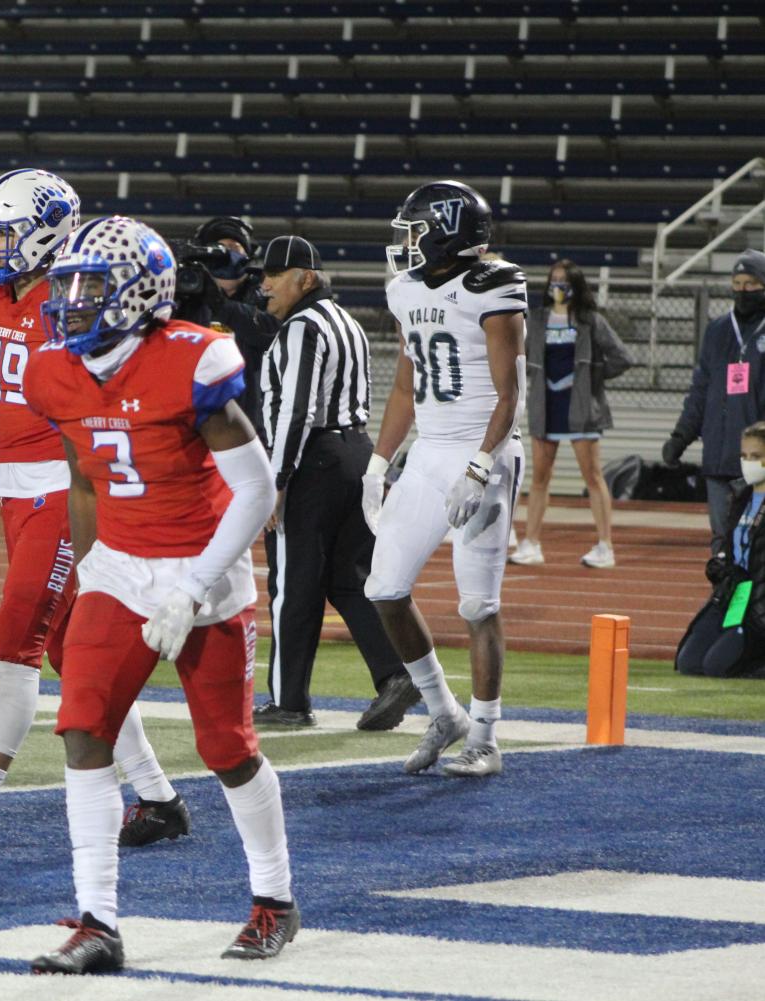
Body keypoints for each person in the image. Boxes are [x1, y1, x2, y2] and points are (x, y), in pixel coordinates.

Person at [24, 215, 295, 974]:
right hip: (121, 564)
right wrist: (91, 570)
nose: (70, 301)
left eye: (89, 287)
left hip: (202, 566)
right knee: (82, 729)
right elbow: (82, 475)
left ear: (138, 294)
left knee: (226, 748)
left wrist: (194, 585)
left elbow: (256, 489)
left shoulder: (192, 359)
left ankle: (273, 899)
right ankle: (97, 919)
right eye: (67, 285)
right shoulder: (56, 370)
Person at [0, 172, 188, 855]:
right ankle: (158, 797)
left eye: (3, 231)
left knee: (14, 636)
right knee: (63, 648)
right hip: (14, 487)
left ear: (45, 230)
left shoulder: (75, 298)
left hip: (67, 481)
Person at [363, 179, 527, 779]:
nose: (406, 244)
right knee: (383, 588)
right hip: (430, 450)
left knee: (477, 602)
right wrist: (380, 463)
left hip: (484, 451)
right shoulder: (405, 288)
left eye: (415, 230)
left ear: (447, 231)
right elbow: (408, 383)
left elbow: (510, 392)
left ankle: (484, 738)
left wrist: (482, 466)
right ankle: (444, 712)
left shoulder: (493, 284)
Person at [252, 235, 417, 731]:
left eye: (275, 274)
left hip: (312, 461)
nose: (264, 285)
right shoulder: (347, 322)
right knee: (353, 579)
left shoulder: (303, 327)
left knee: (292, 586)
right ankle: (394, 672)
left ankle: (288, 701)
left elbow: (295, 410)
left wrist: (275, 480)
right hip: (355, 454)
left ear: (305, 277)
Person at [511, 259, 635, 569]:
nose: (558, 287)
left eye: (564, 282)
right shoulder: (537, 320)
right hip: (546, 408)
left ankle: (605, 545)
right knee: (539, 477)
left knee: (593, 476)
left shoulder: (590, 320)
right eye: (553, 281)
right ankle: (532, 543)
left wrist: (592, 376)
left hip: (580, 408)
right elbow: (519, 354)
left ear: (575, 286)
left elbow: (623, 357)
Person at [663, 249, 765, 555]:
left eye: (751, 283)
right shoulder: (718, 330)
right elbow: (701, 389)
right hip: (719, 458)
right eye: (737, 282)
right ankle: (725, 602)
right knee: (722, 546)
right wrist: (681, 435)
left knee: (755, 545)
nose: (743, 290)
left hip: (758, 460)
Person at [171, 216, 279, 435]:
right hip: (193, 421)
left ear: (248, 254)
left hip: (250, 423)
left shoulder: (266, 291)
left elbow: (272, 332)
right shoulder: (185, 294)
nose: (227, 253)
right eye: (219, 247)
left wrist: (221, 306)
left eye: (234, 247)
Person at [675, 422, 765, 679]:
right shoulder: (740, 496)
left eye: (756, 457)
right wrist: (720, 567)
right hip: (733, 596)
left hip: (758, 602)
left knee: (717, 667)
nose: (748, 462)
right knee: (689, 663)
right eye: (744, 456)